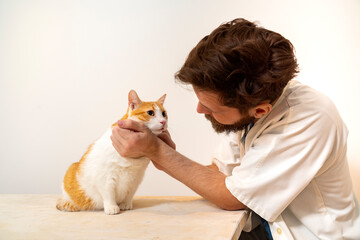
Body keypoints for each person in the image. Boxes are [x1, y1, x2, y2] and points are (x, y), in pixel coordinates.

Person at [111, 18, 360, 239]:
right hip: (264, 227)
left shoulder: (309, 118)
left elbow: (233, 197)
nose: (199, 110)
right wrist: (166, 154)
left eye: (211, 107)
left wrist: (159, 153)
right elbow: (220, 175)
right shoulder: (252, 111)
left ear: (260, 110)